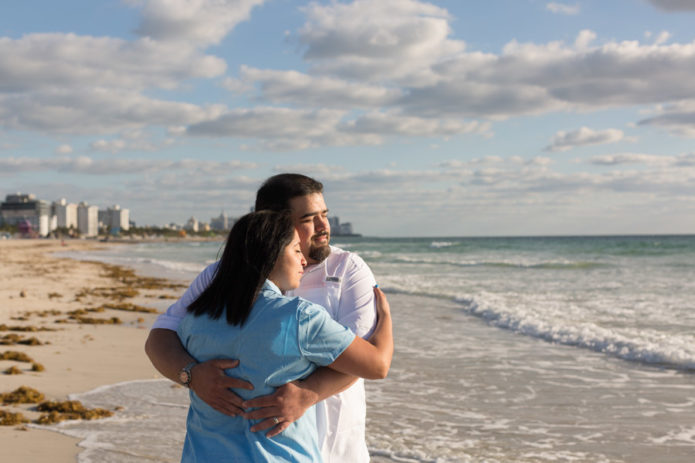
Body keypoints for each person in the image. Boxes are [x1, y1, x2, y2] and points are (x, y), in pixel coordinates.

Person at [145, 173, 381, 462]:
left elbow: (361, 355)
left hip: (335, 445)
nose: (323, 227)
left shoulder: (348, 269)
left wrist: (308, 393)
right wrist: (191, 375)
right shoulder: (223, 275)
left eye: (324, 215)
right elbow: (161, 336)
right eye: (309, 218)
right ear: (273, 223)